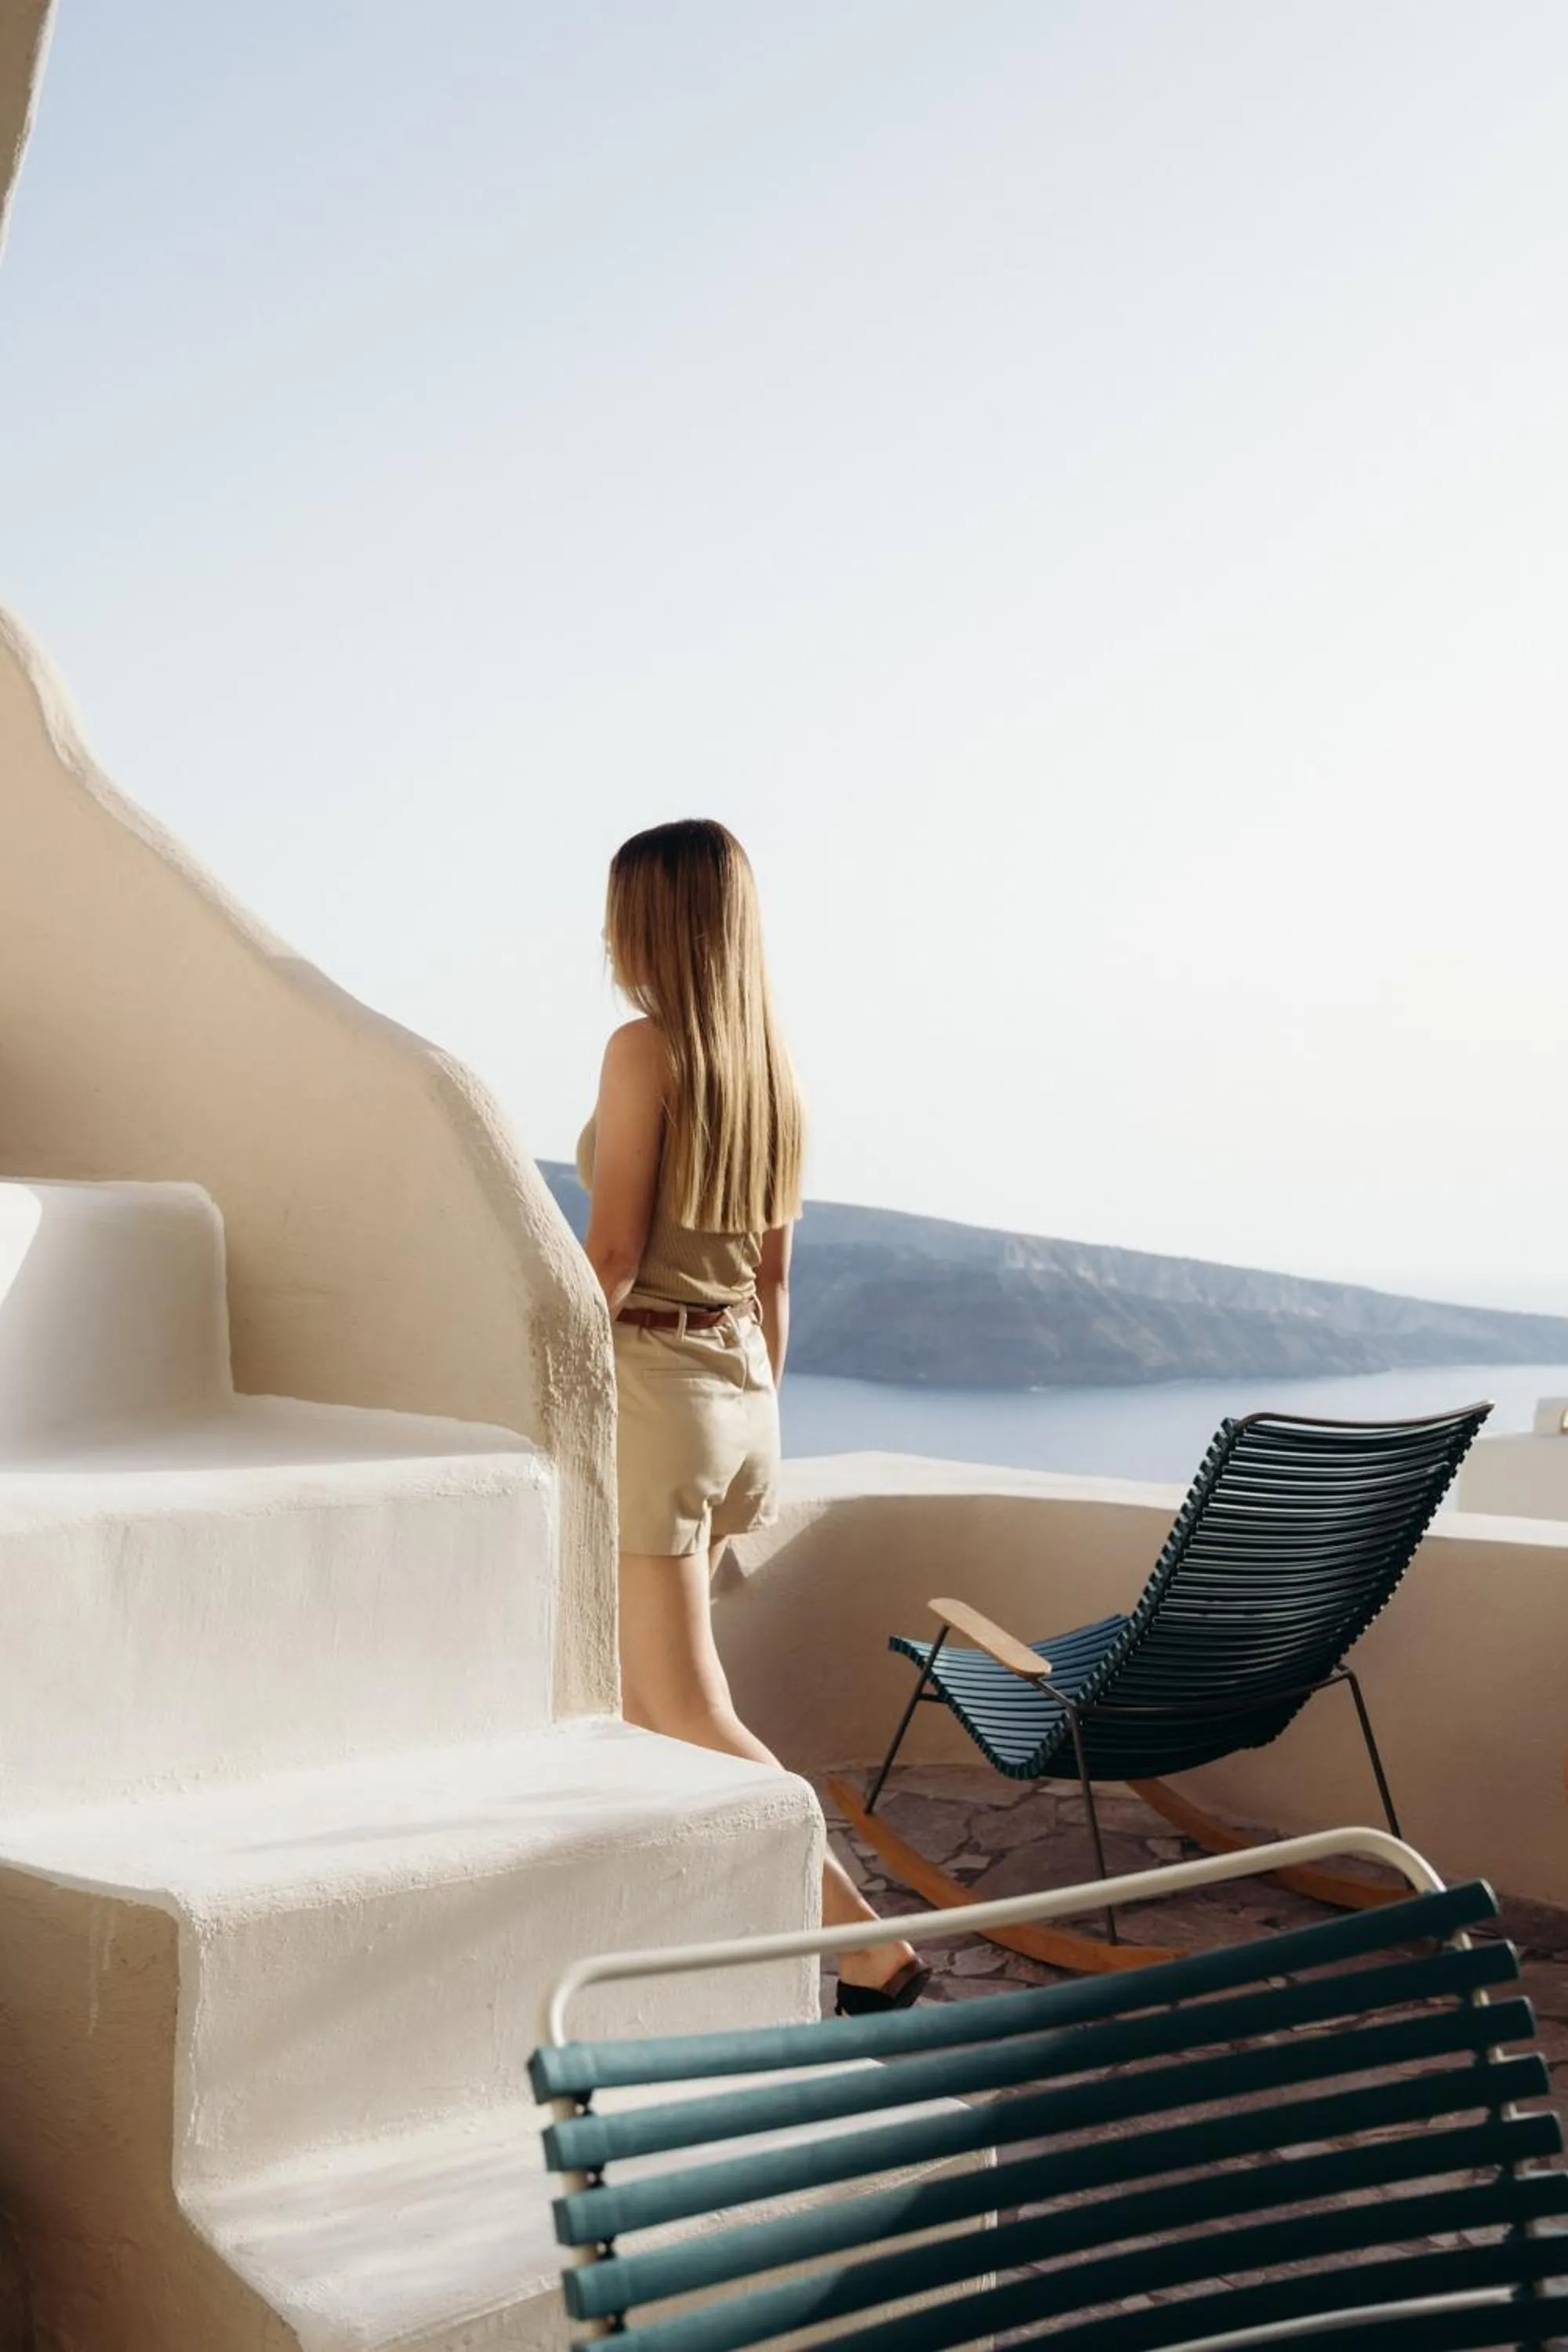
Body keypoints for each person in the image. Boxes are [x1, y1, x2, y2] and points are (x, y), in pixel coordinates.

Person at [577, 818, 927, 2013]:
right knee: (647, 1701)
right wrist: (756, 1419)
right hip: (738, 1396)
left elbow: (613, 1253)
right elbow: (774, 1283)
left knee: (685, 1709)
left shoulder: (645, 1054)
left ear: (654, 921)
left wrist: (539, 1385)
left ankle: (865, 1941)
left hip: (659, 1392)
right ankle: (707, 1921)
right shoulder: (772, 1075)